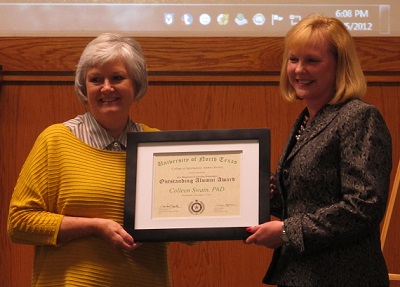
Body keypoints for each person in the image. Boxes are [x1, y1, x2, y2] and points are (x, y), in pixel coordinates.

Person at [8, 33, 171, 286]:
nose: (107, 87)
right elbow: (20, 223)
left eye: (117, 77)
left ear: (136, 84)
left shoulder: (158, 145)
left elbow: (185, 223)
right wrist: (94, 227)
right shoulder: (56, 141)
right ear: (84, 88)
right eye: (96, 79)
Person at [245, 15, 392, 286]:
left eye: (312, 60)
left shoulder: (359, 117)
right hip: (300, 274)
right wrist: (267, 193)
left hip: (343, 276)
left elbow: (363, 205)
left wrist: (288, 231)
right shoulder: (306, 119)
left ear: (339, 66)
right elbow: (308, 197)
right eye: (293, 59)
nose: (299, 70)